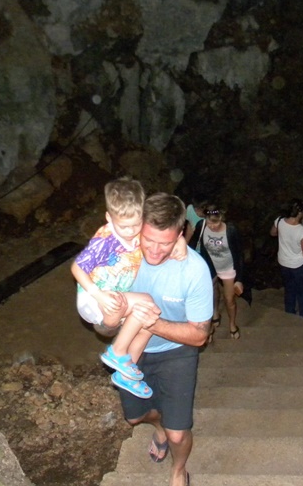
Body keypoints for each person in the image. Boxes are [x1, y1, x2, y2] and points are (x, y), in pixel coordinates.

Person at [117, 192, 213, 486]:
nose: (155, 251)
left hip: (177, 351)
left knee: (178, 433)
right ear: (138, 229)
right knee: (135, 417)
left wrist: (150, 322)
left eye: (166, 242)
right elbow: (103, 328)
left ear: (181, 234)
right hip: (132, 349)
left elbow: (199, 335)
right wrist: (112, 321)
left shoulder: (194, 270)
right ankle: (158, 425)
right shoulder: (121, 257)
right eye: (149, 240)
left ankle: (178, 469)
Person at [71, 177, 187, 399]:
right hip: (94, 299)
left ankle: (127, 372)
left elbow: (160, 231)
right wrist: (98, 295)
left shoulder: (136, 229)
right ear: (108, 217)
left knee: (148, 320)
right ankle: (117, 352)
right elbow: (77, 268)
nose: (130, 231)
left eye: (136, 224)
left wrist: (179, 241)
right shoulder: (106, 240)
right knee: (147, 301)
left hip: (117, 297)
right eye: (123, 226)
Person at [188, 203, 247, 341]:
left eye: (216, 223)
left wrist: (239, 278)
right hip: (210, 266)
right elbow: (192, 245)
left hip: (228, 267)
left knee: (229, 299)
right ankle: (213, 318)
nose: (212, 226)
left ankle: (232, 324)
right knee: (208, 295)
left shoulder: (230, 230)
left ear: (221, 218)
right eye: (210, 223)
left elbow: (239, 254)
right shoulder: (201, 225)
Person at [270, 198, 303, 317]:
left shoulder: (279, 221)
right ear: (300, 213)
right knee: (302, 292)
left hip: (283, 262)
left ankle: (289, 313)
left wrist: (284, 234)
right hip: (298, 265)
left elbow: (272, 233)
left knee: (289, 289)